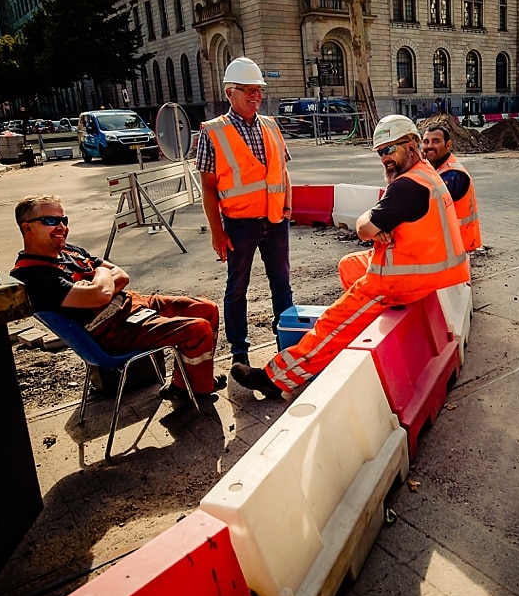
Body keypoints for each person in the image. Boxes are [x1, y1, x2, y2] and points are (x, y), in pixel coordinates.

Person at [231, 115, 470, 397]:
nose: (385, 158)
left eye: (390, 149)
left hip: (401, 280)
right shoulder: (427, 173)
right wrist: (376, 225)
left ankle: (276, 378)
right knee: (349, 265)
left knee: (331, 322)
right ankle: (362, 323)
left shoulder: (406, 186)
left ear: (412, 145)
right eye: (381, 152)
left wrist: (370, 224)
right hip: (428, 270)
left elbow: (363, 227)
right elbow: (378, 224)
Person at [10, 195, 225, 409]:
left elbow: (122, 276)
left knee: (207, 309)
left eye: (63, 220)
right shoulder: (34, 275)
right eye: (51, 221)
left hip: (132, 305)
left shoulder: (69, 251)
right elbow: (102, 293)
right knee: (197, 329)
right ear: (27, 228)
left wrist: (98, 284)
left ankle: (184, 386)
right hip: (112, 329)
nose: (61, 227)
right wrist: (102, 272)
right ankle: (198, 388)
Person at [197, 56, 295, 367]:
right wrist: (217, 231)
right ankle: (239, 352)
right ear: (229, 92)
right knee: (237, 288)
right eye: (248, 90)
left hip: (276, 221)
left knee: (282, 284)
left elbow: (282, 170)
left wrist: (288, 206)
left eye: (258, 90)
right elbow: (208, 187)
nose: (256, 96)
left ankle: (287, 343)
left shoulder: (270, 125)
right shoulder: (213, 132)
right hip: (239, 225)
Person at [420, 116, 482, 251]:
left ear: (448, 145)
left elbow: (425, 205)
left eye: (436, 141)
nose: (429, 146)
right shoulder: (435, 168)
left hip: (460, 246)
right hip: (450, 243)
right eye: (426, 141)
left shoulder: (453, 174)